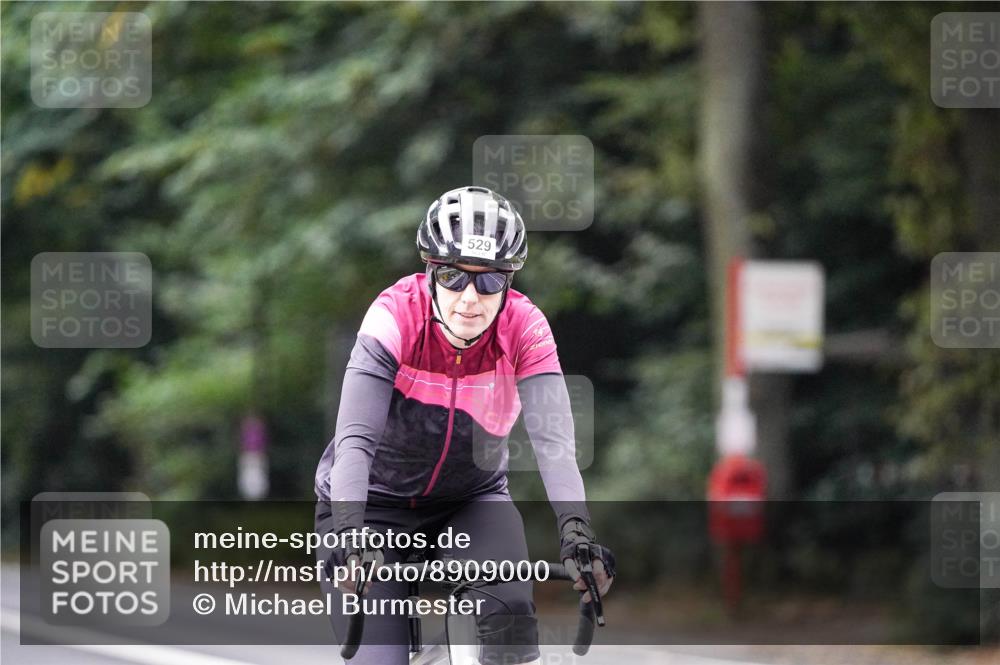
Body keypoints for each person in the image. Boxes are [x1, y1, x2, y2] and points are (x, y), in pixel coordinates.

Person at [313, 186, 614, 665]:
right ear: (430, 271)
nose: (469, 298)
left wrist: (576, 530)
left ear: (509, 282)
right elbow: (354, 443)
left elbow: (554, 445)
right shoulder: (394, 315)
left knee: (511, 613)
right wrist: (349, 531)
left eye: (490, 281)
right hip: (372, 507)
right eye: (453, 276)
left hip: (469, 500)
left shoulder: (525, 327)